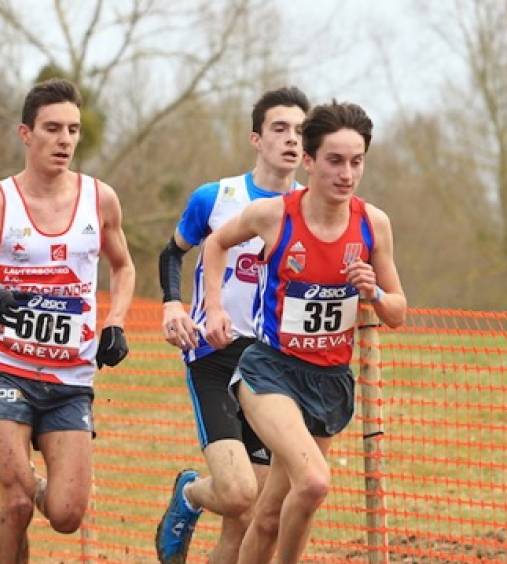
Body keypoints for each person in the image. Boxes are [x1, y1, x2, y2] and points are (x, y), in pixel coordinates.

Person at [0, 78, 135, 563]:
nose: (64, 140)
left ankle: (32, 481)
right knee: (16, 503)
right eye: (52, 129)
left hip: (71, 376)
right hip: (6, 370)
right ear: (26, 133)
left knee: (66, 514)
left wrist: (116, 322)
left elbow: (123, 266)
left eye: (73, 130)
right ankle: (20, 485)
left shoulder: (100, 199)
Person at [201, 101, 406, 563]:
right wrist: (214, 308)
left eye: (356, 162)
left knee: (271, 513)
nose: (346, 173)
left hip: (329, 381)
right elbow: (215, 243)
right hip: (271, 372)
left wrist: (374, 293)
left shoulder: (373, 224)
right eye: (335, 160)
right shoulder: (273, 215)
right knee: (313, 481)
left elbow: (398, 311)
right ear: (309, 161)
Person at [155, 86, 311, 564]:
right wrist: (172, 306)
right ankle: (190, 493)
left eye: (301, 132)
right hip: (214, 356)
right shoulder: (216, 197)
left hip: (271, 369)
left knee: (247, 517)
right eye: (280, 129)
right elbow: (172, 253)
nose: (291, 140)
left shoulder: (310, 208)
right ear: (256, 138)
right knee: (239, 493)